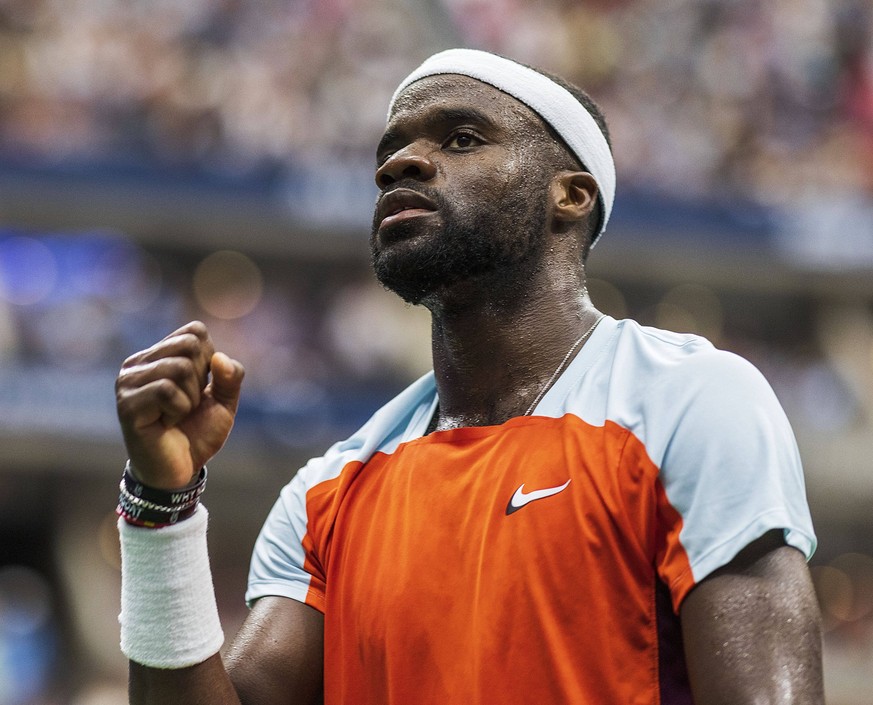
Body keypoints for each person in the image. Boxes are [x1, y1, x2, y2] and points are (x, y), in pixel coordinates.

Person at [114, 49, 824, 704]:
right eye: (389, 152)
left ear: (569, 195)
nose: (400, 165)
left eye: (459, 139)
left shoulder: (689, 400)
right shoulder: (326, 492)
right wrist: (159, 505)